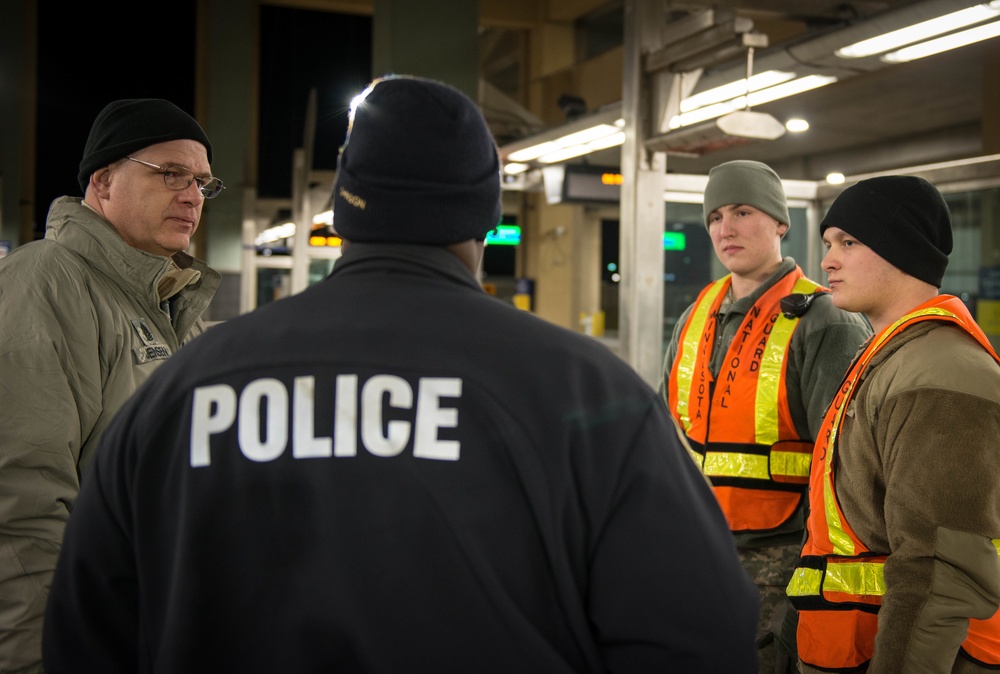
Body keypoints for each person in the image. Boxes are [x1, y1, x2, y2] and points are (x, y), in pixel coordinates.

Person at [42, 75, 759, 673]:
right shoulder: (585, 394)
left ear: (343, 211)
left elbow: (86, 629)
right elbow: (700, 634)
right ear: (484, 216)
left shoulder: (185, 388)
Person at [0, 98, 221, 673]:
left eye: (201, 181)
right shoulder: (47, 280)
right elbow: (21, 497)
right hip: (79, 635)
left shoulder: (174, 307)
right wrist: (37, 658)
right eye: (170, 173)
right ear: (103, 180)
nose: (192, 194)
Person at [659, 159, 872, 673]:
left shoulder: (828, 320)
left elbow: (847, 464)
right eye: (714, 217)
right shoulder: (698, 313)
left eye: (742, 211)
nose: (724, 228)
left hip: (778, 561)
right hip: (693, 549)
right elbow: (662, 434)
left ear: (780, 222)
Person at [785, 175, 1000, 673]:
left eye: (849, 242)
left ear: (902, 249)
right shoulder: (890, 355)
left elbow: (938, 571)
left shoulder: (942, 373)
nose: (827, 261)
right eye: (827, 244)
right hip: (848, 646)